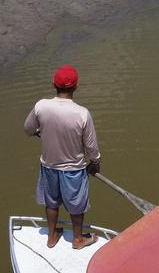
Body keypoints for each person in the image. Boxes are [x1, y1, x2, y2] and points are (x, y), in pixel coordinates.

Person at [23, 64, 102, 250]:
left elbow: (28, 129)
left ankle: (51, 236)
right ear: (76, 86)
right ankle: (78, 239)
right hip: (73, 170)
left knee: (51, 202)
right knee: (76, 205)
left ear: (53, 84)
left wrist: (39, 132)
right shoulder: (82, 113)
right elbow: (91, 146)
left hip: (48, 167)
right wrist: (95, 162)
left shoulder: (41, 106)